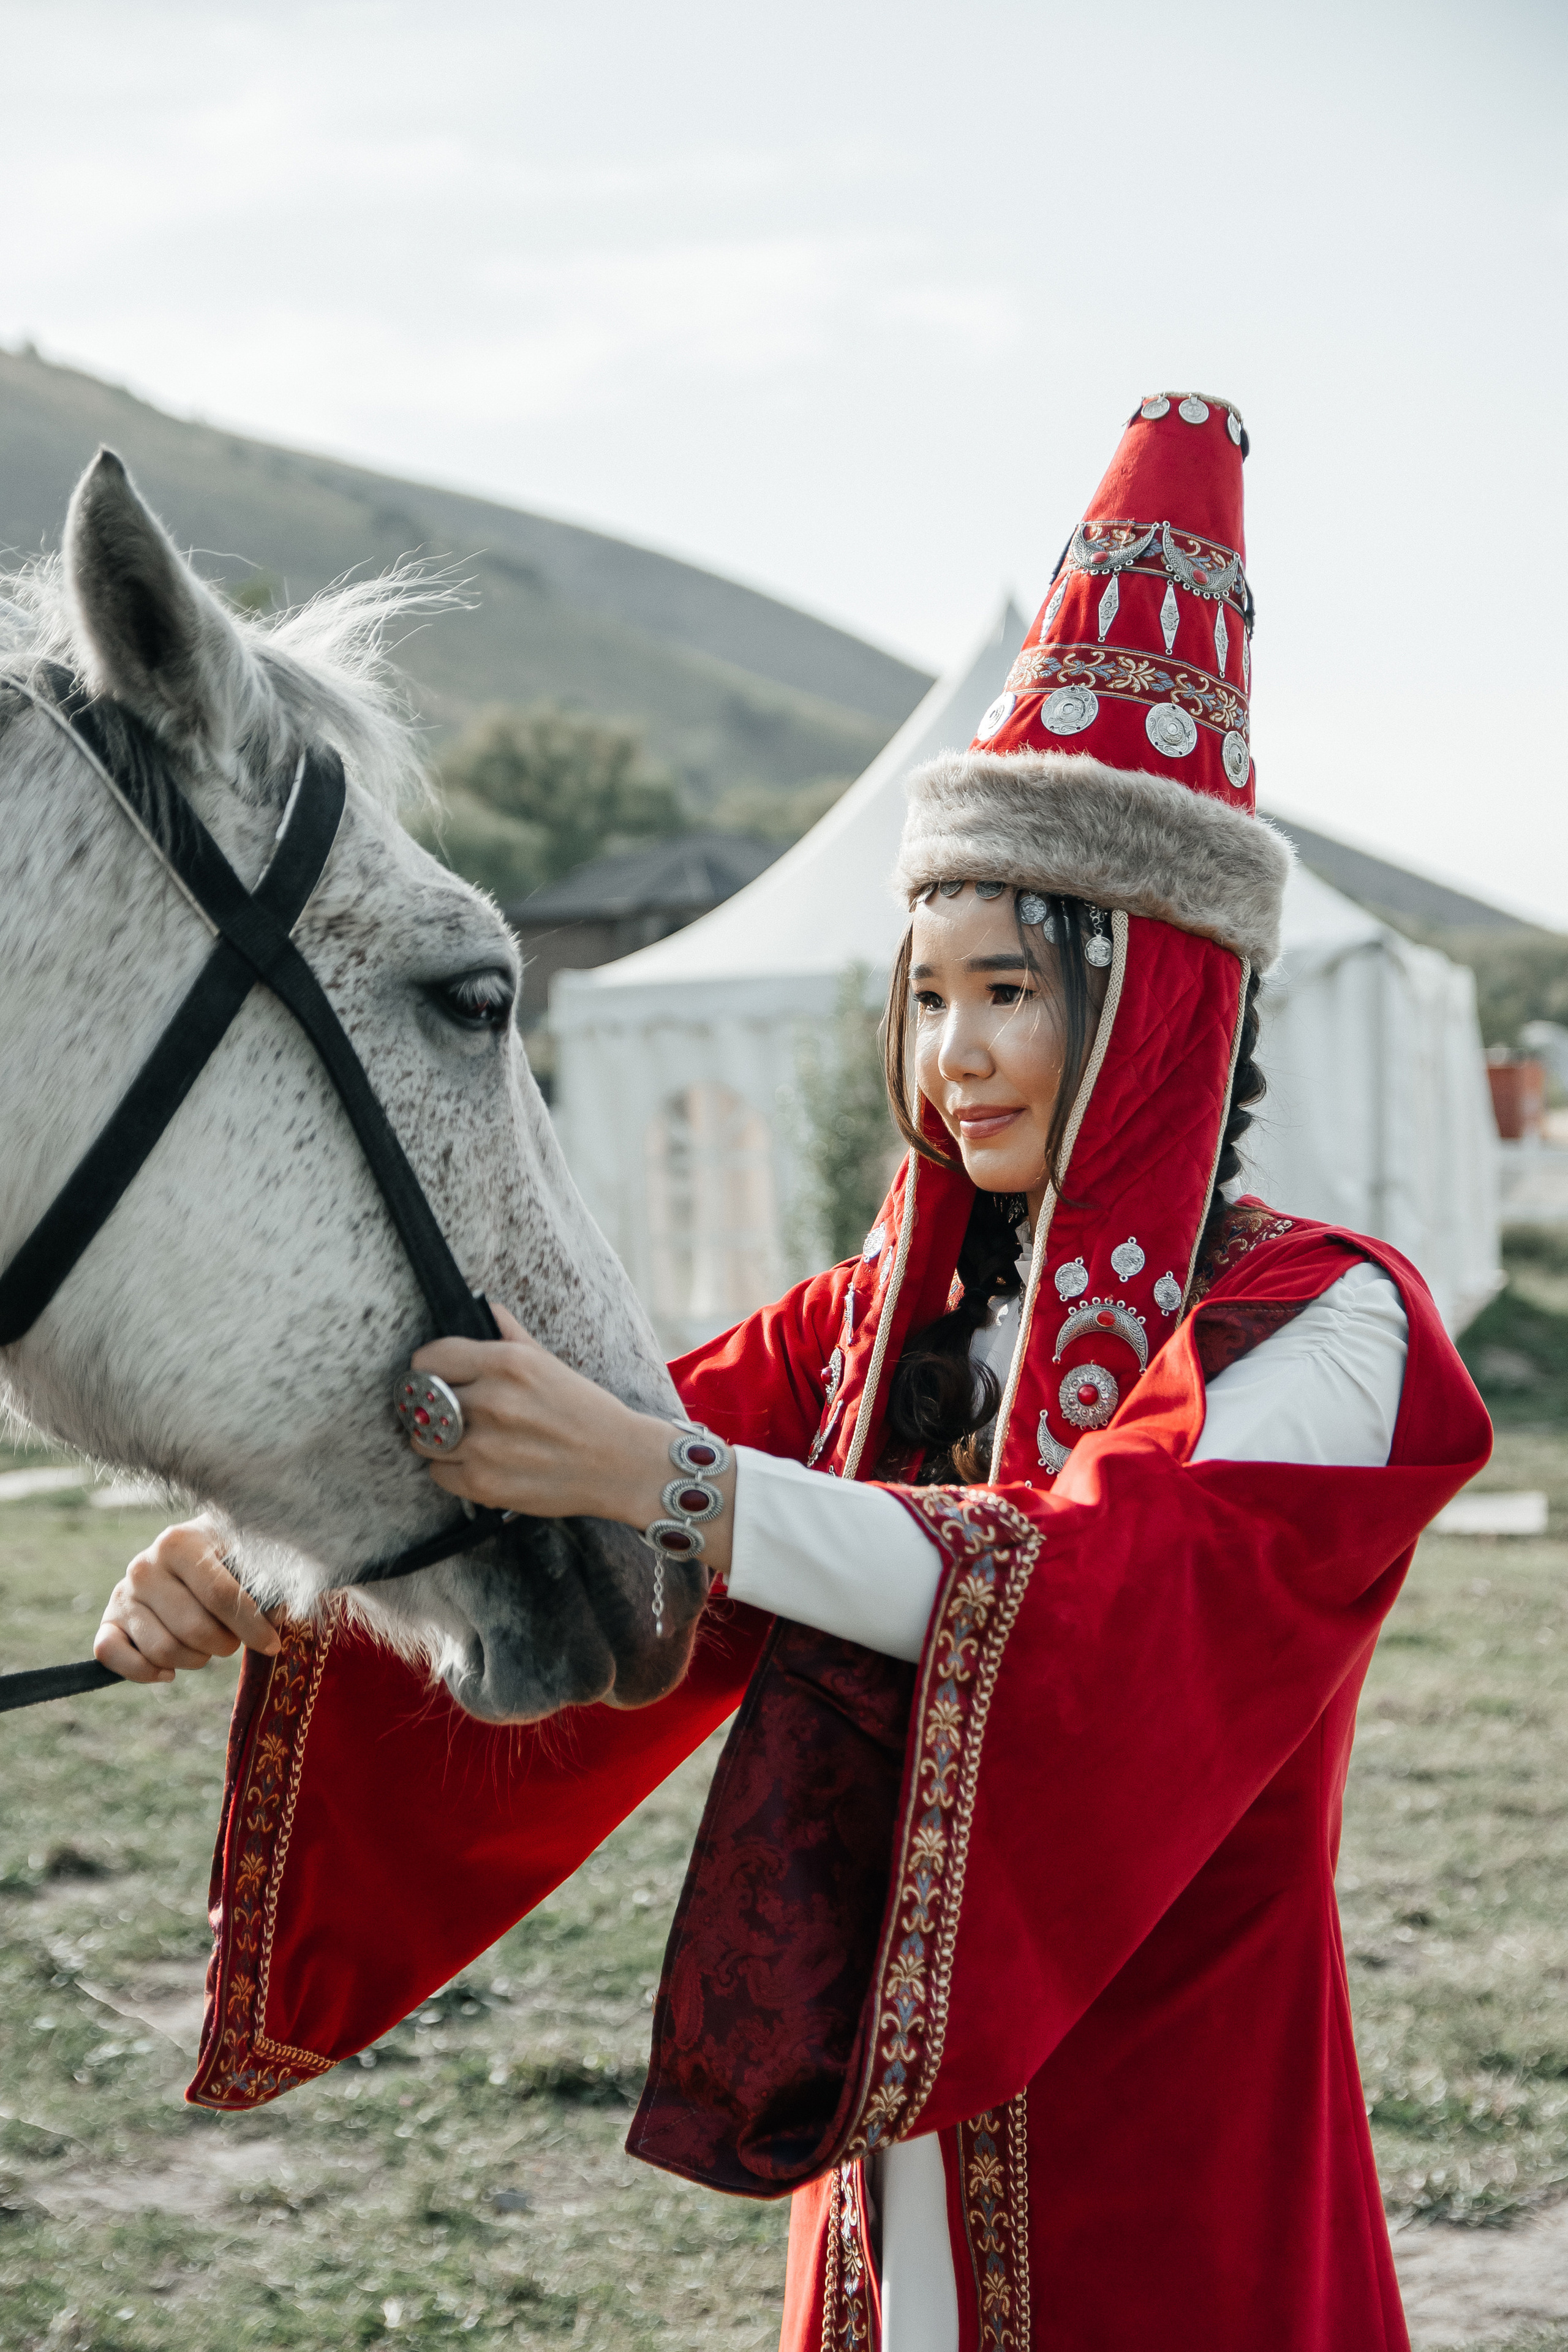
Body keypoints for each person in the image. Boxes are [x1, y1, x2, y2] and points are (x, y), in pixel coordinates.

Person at [104, 396, 1489, 2351]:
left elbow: (1075, 1591)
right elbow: (551, 1469)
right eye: (928, 996)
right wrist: (258, 1572)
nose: (957, 1057)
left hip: (1178, 2109)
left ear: (1158, 990)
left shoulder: (1326, 1329)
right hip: (887, 2117)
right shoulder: (872, 1330)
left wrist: (662, 1480)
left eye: (1013, 991)